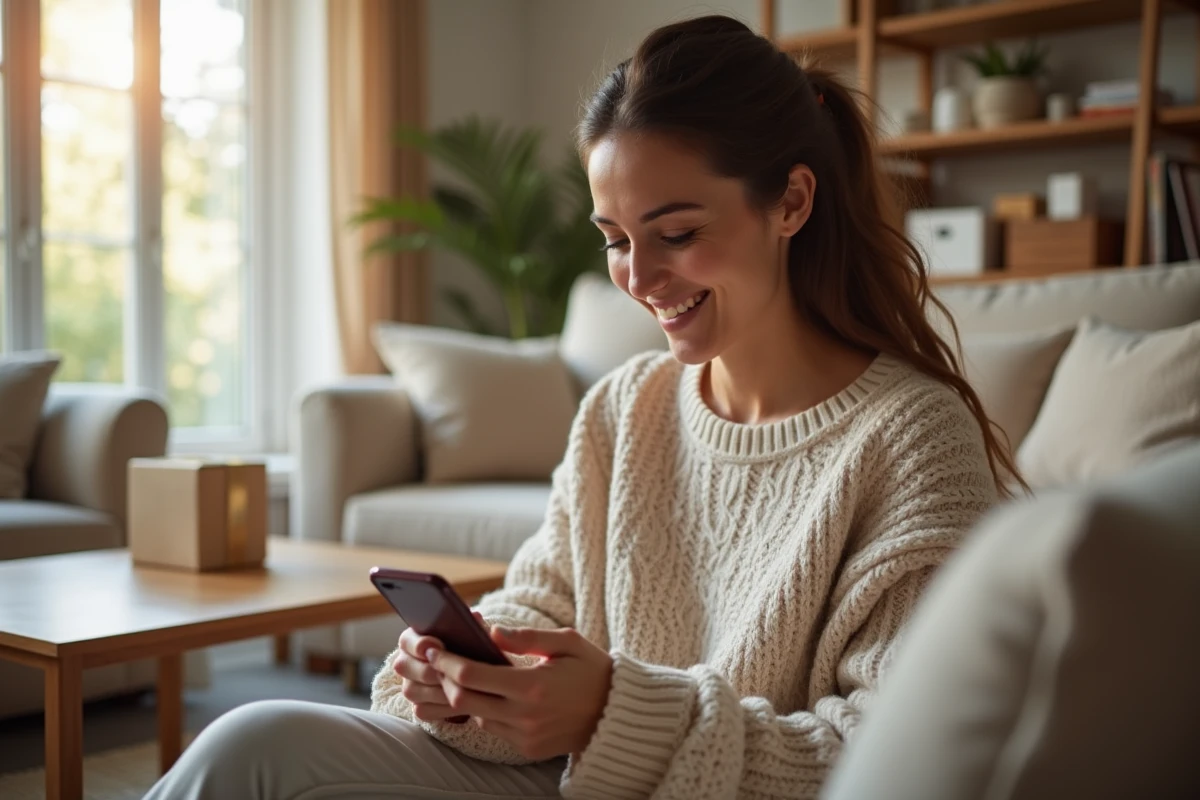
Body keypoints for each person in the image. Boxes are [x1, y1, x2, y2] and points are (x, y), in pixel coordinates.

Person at [146, 14, 1022, 800]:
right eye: (615, 239)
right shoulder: (624, 407)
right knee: (255, 739)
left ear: (790, 202)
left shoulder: (912, 439)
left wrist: (613, 715)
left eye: (676, 233)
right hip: (562, 779)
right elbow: (538, 602)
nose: (638, 278)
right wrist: (462, 671)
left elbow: (897, 761)